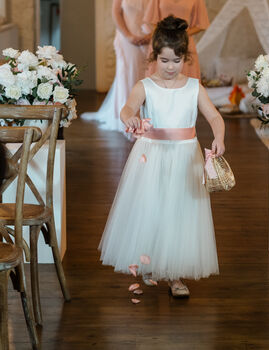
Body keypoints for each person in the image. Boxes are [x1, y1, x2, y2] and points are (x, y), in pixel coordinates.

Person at [99, 16, 225, 297]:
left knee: (180, 213)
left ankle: (176, 275)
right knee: (153, 209)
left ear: (185, 58)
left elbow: (215, 116)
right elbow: (127, 108)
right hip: (152, 157)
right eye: (165, 60)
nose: (170, 67)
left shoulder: (194, 87)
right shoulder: (145, 86)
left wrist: (219, 137)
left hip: (185, 159)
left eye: (176, 61)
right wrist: (130, 118)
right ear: (155, 56)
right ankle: (153, 263)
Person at [81, 0, 149, 139]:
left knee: (147, 75)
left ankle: (148, 117)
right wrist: (129, 36)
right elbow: (116, 13)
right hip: (126, 37)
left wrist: (151, 35)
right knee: (128, 76)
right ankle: (128, 118)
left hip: (149, 37)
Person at [143, 0, 210, 79]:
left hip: (183, 43)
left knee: (186, 79)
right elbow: (150, 20)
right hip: (161, 42)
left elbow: (201, 25)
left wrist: (179, 35)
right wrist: (165, 35)